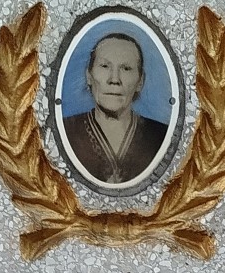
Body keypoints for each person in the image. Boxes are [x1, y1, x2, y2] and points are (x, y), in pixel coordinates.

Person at [61, 30, 168, 186]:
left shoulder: (161, 136)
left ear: (140, 81)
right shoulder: (65, 132)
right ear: (89, 76)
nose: (114, 79)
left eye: (126, 68)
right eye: (105, 66)